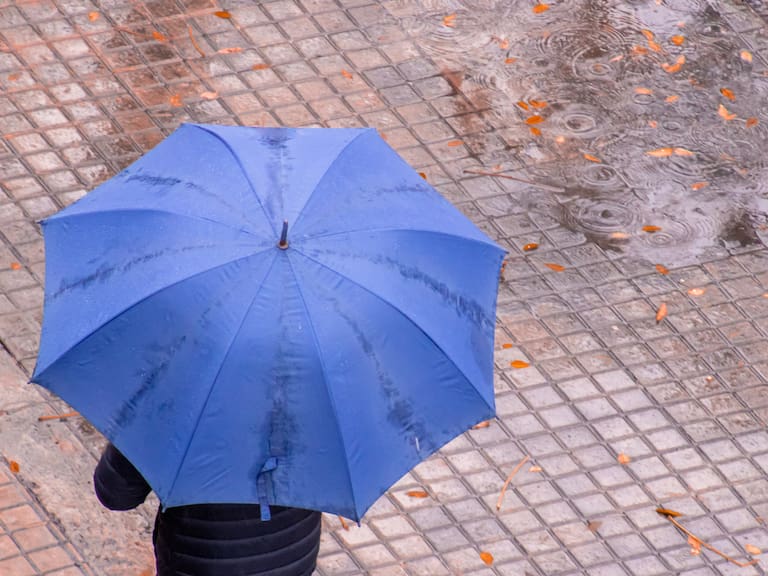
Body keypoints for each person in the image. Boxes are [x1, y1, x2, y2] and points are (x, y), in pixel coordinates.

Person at [93, 443, 322, 576]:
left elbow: (116, 494)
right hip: (294, 558)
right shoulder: (321, 386)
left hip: (200, 565)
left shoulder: (175, 385)